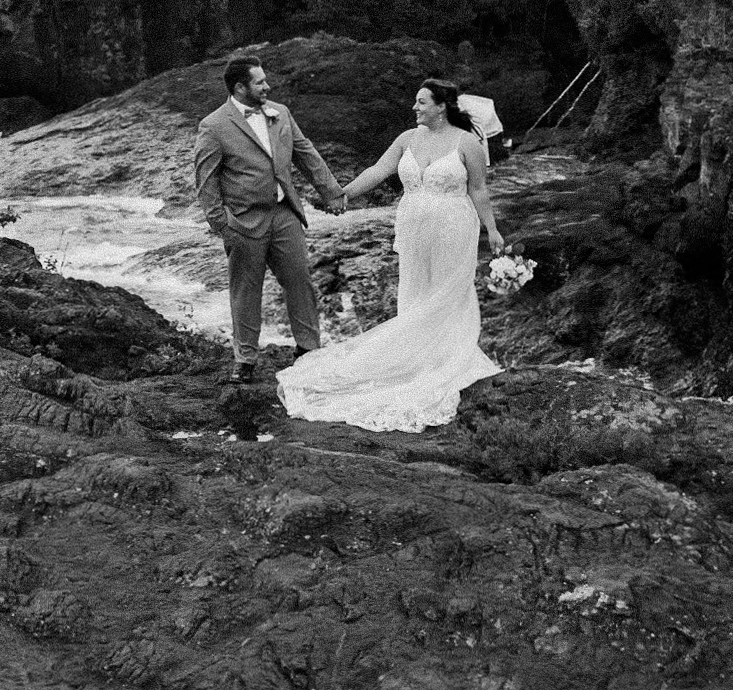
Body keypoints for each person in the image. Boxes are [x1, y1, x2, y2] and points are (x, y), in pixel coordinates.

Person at [275, 76, 505, 431]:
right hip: (413, 226)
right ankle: (413, 358)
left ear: (442, 107)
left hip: (454, 226)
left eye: (422, 102)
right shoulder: (406, 139)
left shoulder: (467, 143)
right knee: (416, 291)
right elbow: (378, 171)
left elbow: (478, 190)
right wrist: (342, 196)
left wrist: (492, 229)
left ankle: (446, 359)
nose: (414, 108)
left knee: (448, 293)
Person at [193, 57, 345, 383]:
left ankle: (309, 351)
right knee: (246, 290)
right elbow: (206, 184)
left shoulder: (281, 113)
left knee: (300, 280)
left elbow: (306, 153)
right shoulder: (214, 125)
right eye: (260, 82)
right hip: (244, 222)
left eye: (265, 81)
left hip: (284, 214)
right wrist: (224, 226)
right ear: (240, 87)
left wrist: (332, 193)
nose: (267, 86)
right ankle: (245, 359)